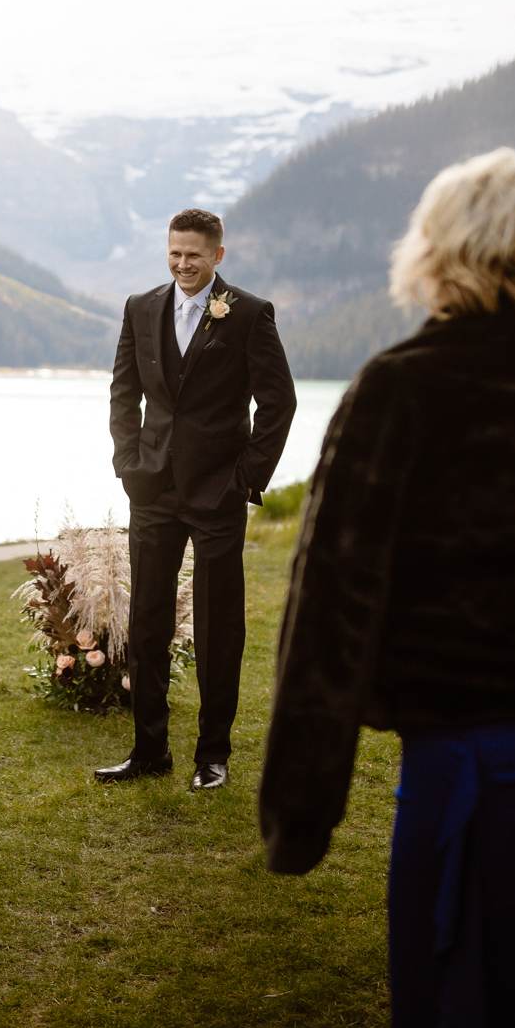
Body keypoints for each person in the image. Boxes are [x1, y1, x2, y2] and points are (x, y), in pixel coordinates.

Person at [261, 149, 515, 1028]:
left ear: (439, 253)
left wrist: (302, 809)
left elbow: (332, 612)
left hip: (472, 764)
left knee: (459, 992)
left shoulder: (397, 394)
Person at [98, 208, 296, 789]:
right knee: (147, 621)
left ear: (218, 256)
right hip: (152, 489)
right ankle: (148, 751)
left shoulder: (250, 314)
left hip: (218, 494)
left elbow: (277, 402)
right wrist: (128, 462)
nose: (183, 264)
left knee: (217, 628)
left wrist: (246, 478)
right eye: (175, 253)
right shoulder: (140, 307)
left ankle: (213, 756)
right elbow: (123, 390)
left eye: (194, 255)